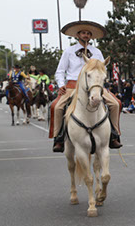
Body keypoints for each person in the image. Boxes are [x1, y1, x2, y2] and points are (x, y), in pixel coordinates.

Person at [50, 21, 122, 152]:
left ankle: (113, 135)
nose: (86, 35)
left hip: (94, 85)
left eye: (88, 33)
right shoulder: (69, 51)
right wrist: (61, 85)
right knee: (56, 106)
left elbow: (102, 70)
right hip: (73, 85)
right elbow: (60, 71)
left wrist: (101, 83)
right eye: (83, 33)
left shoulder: (97, 52)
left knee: (116, 104)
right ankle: (59, 138)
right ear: (78, 35)